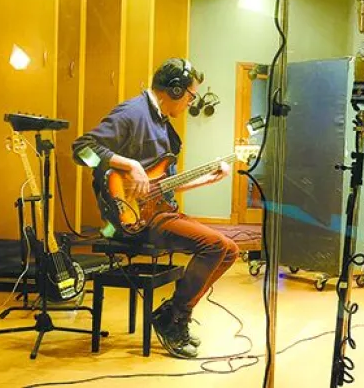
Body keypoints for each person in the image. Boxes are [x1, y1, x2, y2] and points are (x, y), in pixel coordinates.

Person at [72, 58, 240, 358]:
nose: (190, 103)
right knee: (215, 245)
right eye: (191, 96)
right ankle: (173, 319)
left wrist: (206, 180)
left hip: (159, 211)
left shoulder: (163, 124)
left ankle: (173, 314)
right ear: (175, 90)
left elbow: (161, 186)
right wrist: (129, 164)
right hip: (133, 219)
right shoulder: (132, 113)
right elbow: (82, 151)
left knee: (230, 250)